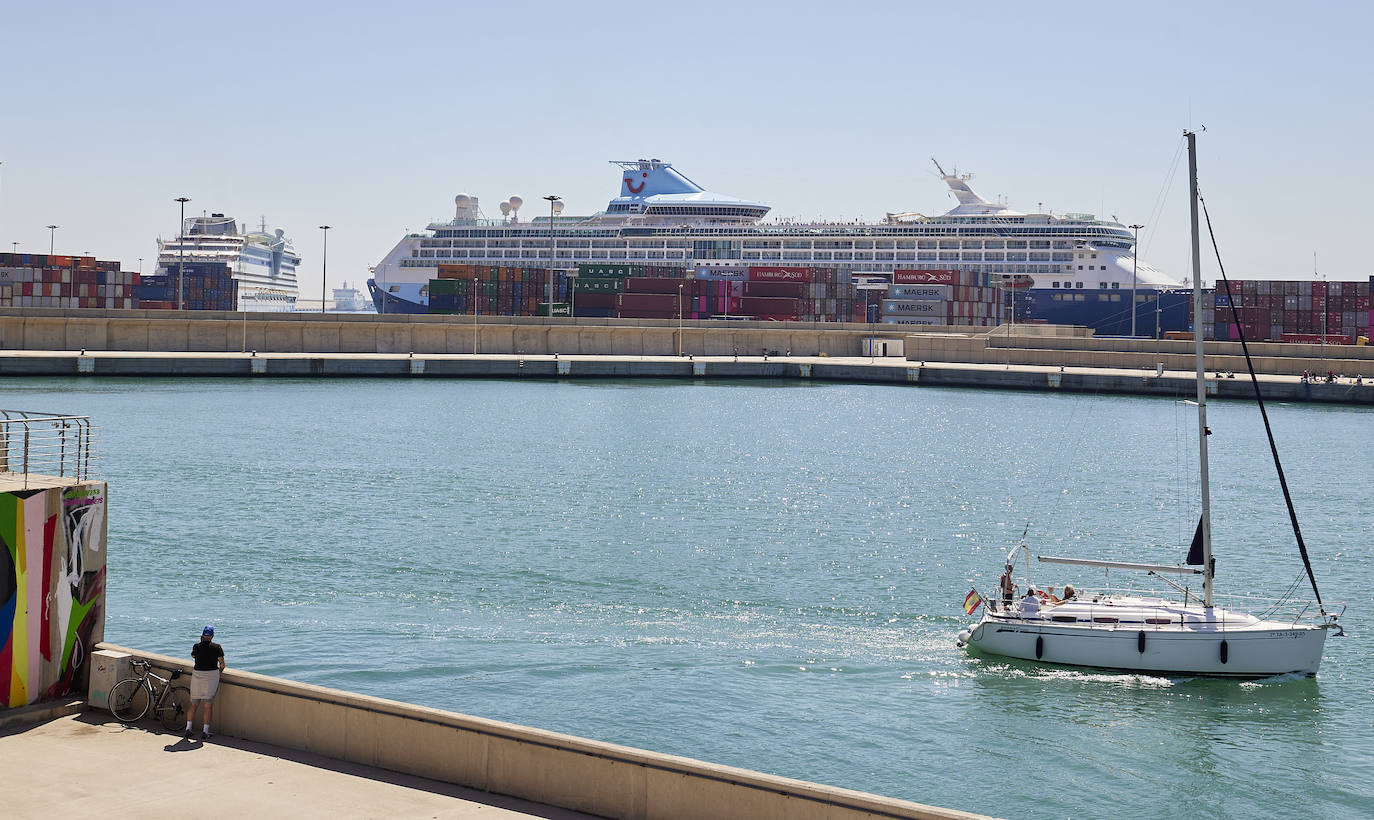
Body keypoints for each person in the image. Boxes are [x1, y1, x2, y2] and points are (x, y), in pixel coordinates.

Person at [186, 625, 225, 740]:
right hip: (211, 676)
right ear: (212, 636)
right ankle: (205, 731)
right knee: (208, 706)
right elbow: (222, 664)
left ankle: (188, 729)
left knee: (194, 704)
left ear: (202, 635)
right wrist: (219, 672)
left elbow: (193, 655)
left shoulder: (196, 646)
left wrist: (200, 642)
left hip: (197, 676)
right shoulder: (217, 647)